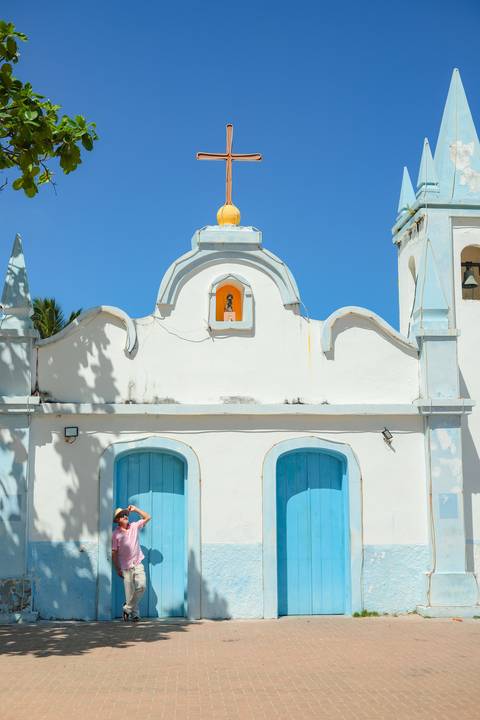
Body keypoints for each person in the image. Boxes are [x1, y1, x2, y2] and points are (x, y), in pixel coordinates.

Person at [112, 504, 151, 622]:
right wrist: (117, 568)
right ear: (118, 520)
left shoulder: (134, 526)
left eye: (125, 514)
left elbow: (148, 517)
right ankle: (135, 615)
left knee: (142, 586)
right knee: (129, 593)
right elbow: (114, 553)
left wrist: (135, 509)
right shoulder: (116, 534)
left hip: (138, 563)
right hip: (125, 567)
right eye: (122, 515)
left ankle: (127, 608)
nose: (125, 516)